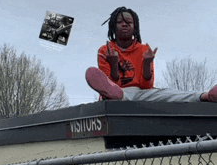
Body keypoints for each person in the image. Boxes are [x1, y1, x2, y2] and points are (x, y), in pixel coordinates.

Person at [85, 6, 217, 102]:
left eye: (129, 22)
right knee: (118, 95)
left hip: (142, 93)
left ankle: (205, 96)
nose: (124, 25)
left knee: (168, 93)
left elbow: (146, 86)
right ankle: (110, 96)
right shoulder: (105, 50)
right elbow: (113, 84)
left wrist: (147, 64)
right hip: (120, 92)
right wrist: (113, 64)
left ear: (135, 27)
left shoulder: (143, 50)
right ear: (113, 26)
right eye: (120, 22)